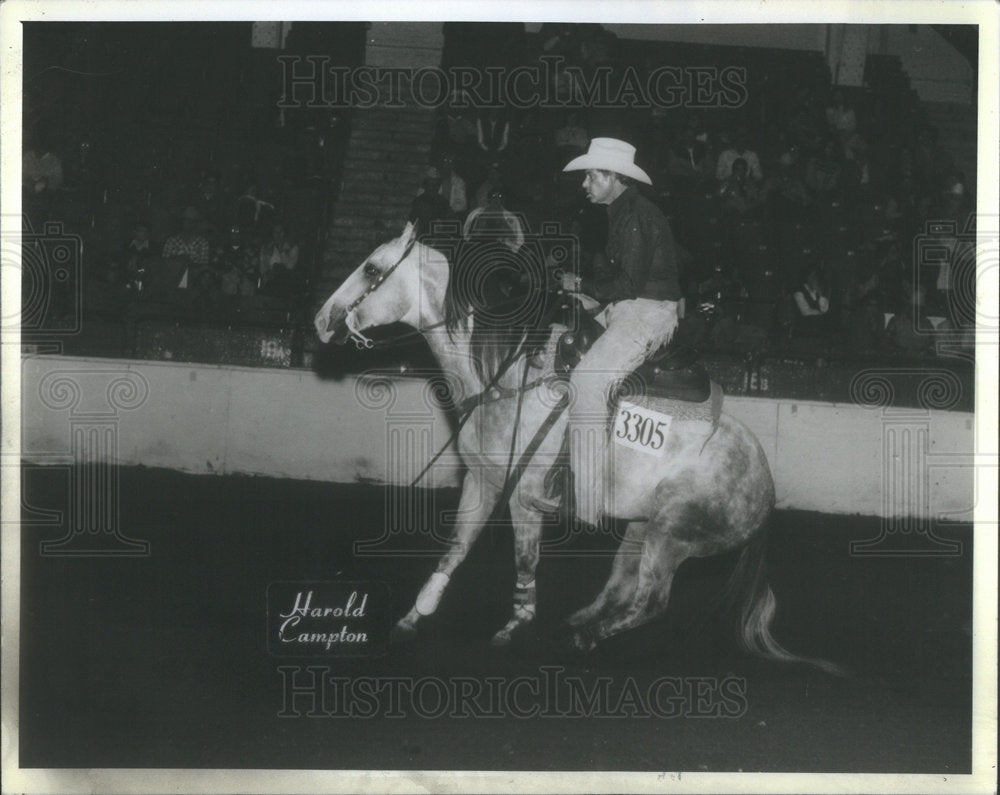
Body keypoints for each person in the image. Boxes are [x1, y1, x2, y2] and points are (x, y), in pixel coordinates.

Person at [548, 138, 682, 528]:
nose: (585, 184)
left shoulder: (638, 214)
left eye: (592, 176)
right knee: (557, 336)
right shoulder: (624, 212)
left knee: (588, 383)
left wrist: (583, 285)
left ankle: (585, 503)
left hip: (646, 311)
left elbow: (628, 282)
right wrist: (584, 289)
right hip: (628, 305)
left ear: (614, 177)